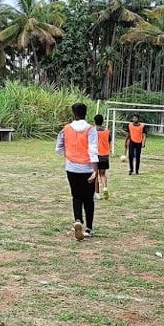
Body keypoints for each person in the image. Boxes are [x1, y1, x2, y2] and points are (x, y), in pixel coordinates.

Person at [56, 103, 99, 241]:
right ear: (85, 113)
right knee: (88, 198)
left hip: (71, 168)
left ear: (74, 114)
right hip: (87, 168)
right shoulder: (90, 130)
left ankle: (78, 220)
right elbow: (93, 150)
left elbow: (58, 148)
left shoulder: (66, 129)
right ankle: (89, 228)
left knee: (76, 196)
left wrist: (69, 157)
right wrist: (95, 170)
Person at [93, 114, 111, 200]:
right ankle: (105, 188)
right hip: (105, 155)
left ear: (94, 121)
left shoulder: (93, 131)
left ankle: (96, 193)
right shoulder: (107, 131)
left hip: (96, 155)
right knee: (103, 174)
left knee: (95, 175)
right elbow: (109, 141)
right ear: (102, 121)